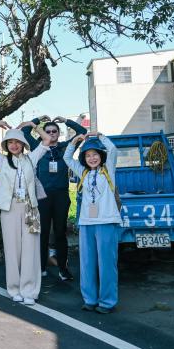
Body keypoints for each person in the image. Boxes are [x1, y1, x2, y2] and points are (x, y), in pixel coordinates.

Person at [0, 121, 51, 306]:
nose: (14, 145)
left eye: (18, 142)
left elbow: (46, 139)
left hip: (30, 208)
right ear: (6, 145)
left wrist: (32, 124)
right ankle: (14, 289)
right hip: (9, 208)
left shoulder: (32, 158)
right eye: (10, 142)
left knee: (31, 249)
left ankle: (29, 290)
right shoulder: (2, 160)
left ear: (23, 144)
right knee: (12, 250)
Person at [21, 116, 87, 281]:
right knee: (42, 233)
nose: (51, 134)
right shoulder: (38, 146)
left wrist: (66, 121)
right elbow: (24, 131)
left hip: (61, 195)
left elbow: (82, 132)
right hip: (42, 195)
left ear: (58, 133)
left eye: (54, 131)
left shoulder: (66, 147)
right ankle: (41, 267)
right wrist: (36, 121)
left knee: (60, 232)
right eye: (48, 131)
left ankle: (63, 269)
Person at [64, 133, 121, 314]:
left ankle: (107, 302)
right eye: (88, 155)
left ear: (101, 156)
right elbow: (66, 157)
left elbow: (113, 149)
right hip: (86, 222)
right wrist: (75, 142)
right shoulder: (83, 172)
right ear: (84, 159)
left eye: (95, 154)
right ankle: (89, 299)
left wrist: (99, 136)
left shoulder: (108, 169)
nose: (92, 158)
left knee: (106, 264)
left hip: (107, 221)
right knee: (87, 263)